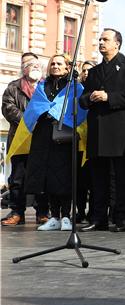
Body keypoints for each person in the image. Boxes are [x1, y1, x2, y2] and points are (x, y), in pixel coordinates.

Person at [79, 29, 125, 233]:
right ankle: (99, 218)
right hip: (97, 131)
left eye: (105, 39)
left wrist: (110, 97)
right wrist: (90, 98)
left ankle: (121, 217)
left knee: (121, 178)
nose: (101, 42)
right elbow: (83, 99)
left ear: (117, 43)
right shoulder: (95, 71)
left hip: (120, 131)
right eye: (99, 39)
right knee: (98, 179)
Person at [25, 54, 75, 231]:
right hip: (44, 134)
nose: (55, 66)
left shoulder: (73, 86)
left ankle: (67, 216)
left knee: (64, 177)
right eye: (52, 63)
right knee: (48, 178)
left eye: (59, 63)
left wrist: (57, 112)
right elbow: (34, 107)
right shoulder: (42, 86)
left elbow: (78, 108)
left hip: (65, 135)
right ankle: (53, 216)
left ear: (67, 67)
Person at [1, 53, 49, 226]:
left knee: (41, 176)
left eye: (37, 65)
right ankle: (16, 212)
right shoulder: (13, 87)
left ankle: (42, 212)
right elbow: (8, 108)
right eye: (30, 64)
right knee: (17, 178)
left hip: (41, 139)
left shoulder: (46, 86)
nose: (35, 67)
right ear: (24, 68)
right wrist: (29, 122)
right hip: (20, 139)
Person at [74, 60, 95, 223]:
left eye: (90, 70)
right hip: (79, 141)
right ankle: (80, 211)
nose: (86, 73)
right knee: (80, 182)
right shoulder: (77, 90)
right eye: (84, 70)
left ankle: (94, 212)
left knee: (95, 181)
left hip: (95, 139)